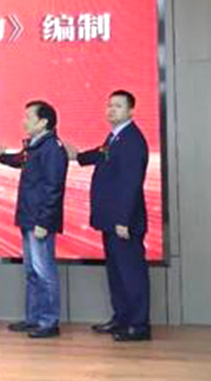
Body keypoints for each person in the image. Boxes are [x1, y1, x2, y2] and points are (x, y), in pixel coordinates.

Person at [64, 90, 151, 342]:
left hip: (123, 221)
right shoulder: (115, 137)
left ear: (131, 111)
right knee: (116, 272)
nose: (111, 109)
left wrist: (124, 219)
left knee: (131, 273)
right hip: (110, 218)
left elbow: (131, 183)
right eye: (109, 105)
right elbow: (102, 154)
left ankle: (138, 325)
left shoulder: (132, 139)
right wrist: (78, 156)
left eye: (118, 106)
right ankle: (122, 318)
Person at [0, 100, 67, 339]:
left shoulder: (52, 148)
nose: (24, 121)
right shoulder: (36, 145)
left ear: (43, 122)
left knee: (44, 272)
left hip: (39, 221)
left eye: (28, 117)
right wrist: (2, 158)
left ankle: (49, 321)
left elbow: (54, 188)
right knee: (32, 271)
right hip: (29, 216)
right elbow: (21, 160)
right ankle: (33, 318)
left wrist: (44, 222)